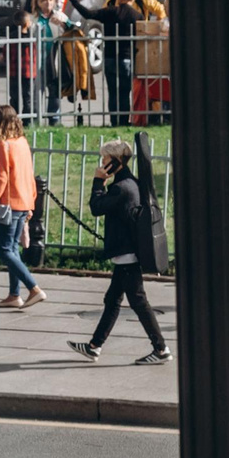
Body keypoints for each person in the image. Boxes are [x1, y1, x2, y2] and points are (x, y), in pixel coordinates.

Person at [69, 138, 170, 364]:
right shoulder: (131, 183)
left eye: (105, 159)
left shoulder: (120, 189)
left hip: (127, 255)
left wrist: (98, 181)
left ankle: (161, 349)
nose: (102, 163)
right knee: (113, 300)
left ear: (115, 162)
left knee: (138, 302)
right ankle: (94, 346)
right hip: (126, 253)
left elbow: (96, 208)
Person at [0, 105, 42, 311]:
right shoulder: (22, 143)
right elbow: (29, 174)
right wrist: (31, 202)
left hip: (8, 205)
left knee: (5, 250)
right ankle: (14, 294)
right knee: (13, 249)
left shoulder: (3, 145)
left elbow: (1, 180)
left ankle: (33, 288)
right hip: (23, 202)